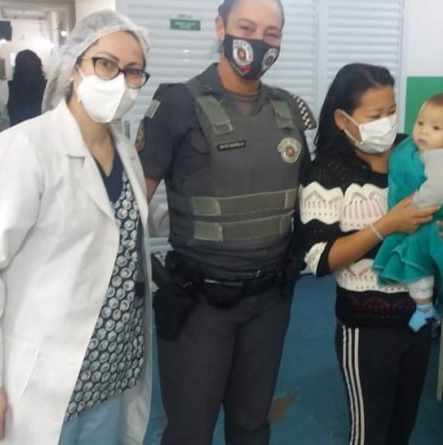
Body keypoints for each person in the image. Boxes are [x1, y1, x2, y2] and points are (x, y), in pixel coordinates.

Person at [0, 10, 153, 445]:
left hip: (111, 369)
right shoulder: (24, 148)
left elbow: (119, 226)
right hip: (40, 377)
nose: (119, 80)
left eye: (133, 71)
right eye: (105, 64)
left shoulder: (126, 152)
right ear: (75, 67)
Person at [136, 0, 314, 444]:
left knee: (252, 425)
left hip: (269, 301)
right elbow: (131, 205)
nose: (259, 42)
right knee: (190, 431)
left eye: (271, 33)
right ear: (221, 27)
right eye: (246, 28)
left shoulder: (288, 109)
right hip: (200, 305)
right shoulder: (177, 104)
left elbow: (311, 198)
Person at [299, 63, 443, 445]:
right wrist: (387, 224)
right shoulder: (327, 173)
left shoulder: (413, 152)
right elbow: (319, 259)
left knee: (402, 427)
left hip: (417, 320)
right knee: (369, 434)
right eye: (375, 115)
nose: (388, 122)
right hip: (366, 329)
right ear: (343, 120)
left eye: (392, 111)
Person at [373, 92, 443, 332]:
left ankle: (424, 306)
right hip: (437, 213)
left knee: (414, 255)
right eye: (420, 123)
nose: (423, 132)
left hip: (435, 214)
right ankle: (433, 303)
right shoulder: (440, 151)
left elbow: (437, 190)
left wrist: (411, 207)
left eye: (436, 128)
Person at [0, 49, 47, 126]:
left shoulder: (7, 87)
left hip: (17, 131)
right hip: (42, 130)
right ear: (39, 67)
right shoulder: (48, 86)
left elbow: (3, 110)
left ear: (17, 68)